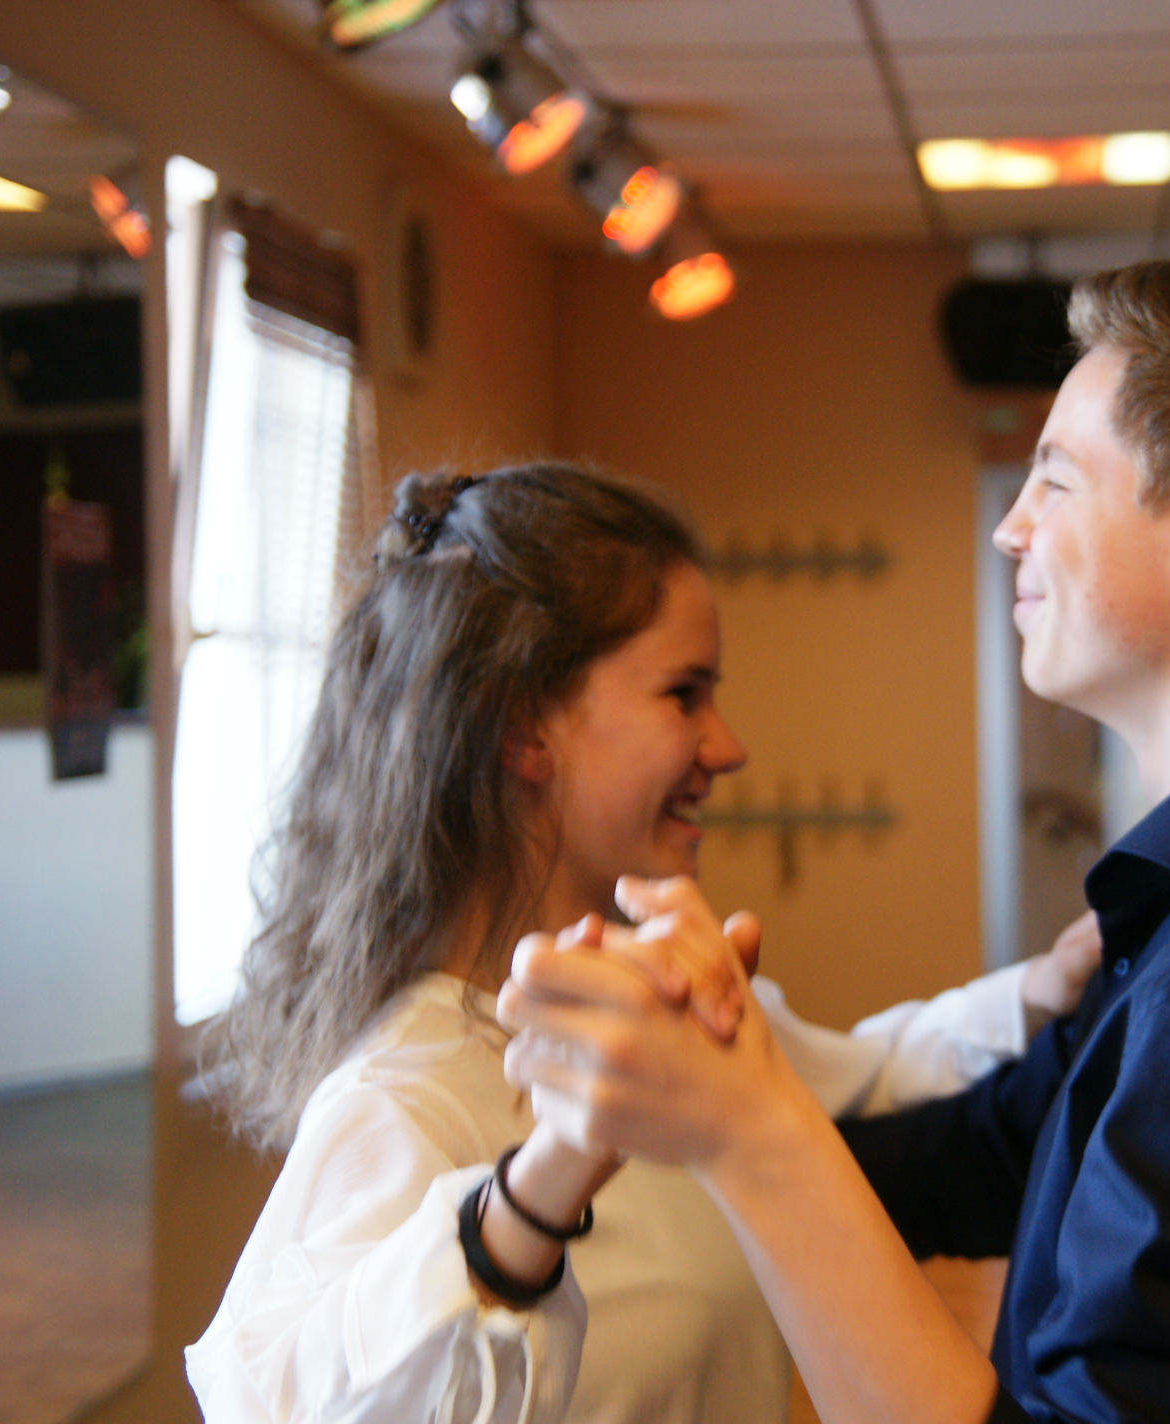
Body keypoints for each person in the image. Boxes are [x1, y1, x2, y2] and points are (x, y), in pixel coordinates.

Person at [502, 249, 1170, 1423]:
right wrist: (698, 1086)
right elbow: (976, 1156)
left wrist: (748, 1132)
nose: (1011, 529)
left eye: (1056, 480)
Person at [183, 462, 1104, 1423]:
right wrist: (533, 1195)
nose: (728, 747)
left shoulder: (651, 1008)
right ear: (522, 729)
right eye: (683, 694)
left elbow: (861, 1077)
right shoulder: (404, 1097)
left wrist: (1038, 990)